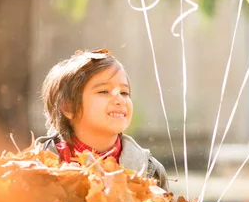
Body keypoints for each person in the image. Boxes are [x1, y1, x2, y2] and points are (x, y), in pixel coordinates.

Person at [36, 48, 169, 191]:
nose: (120, 100)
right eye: (104, 91)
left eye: (124, 93)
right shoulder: (39, 167)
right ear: (69, 107)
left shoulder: (149, 171)